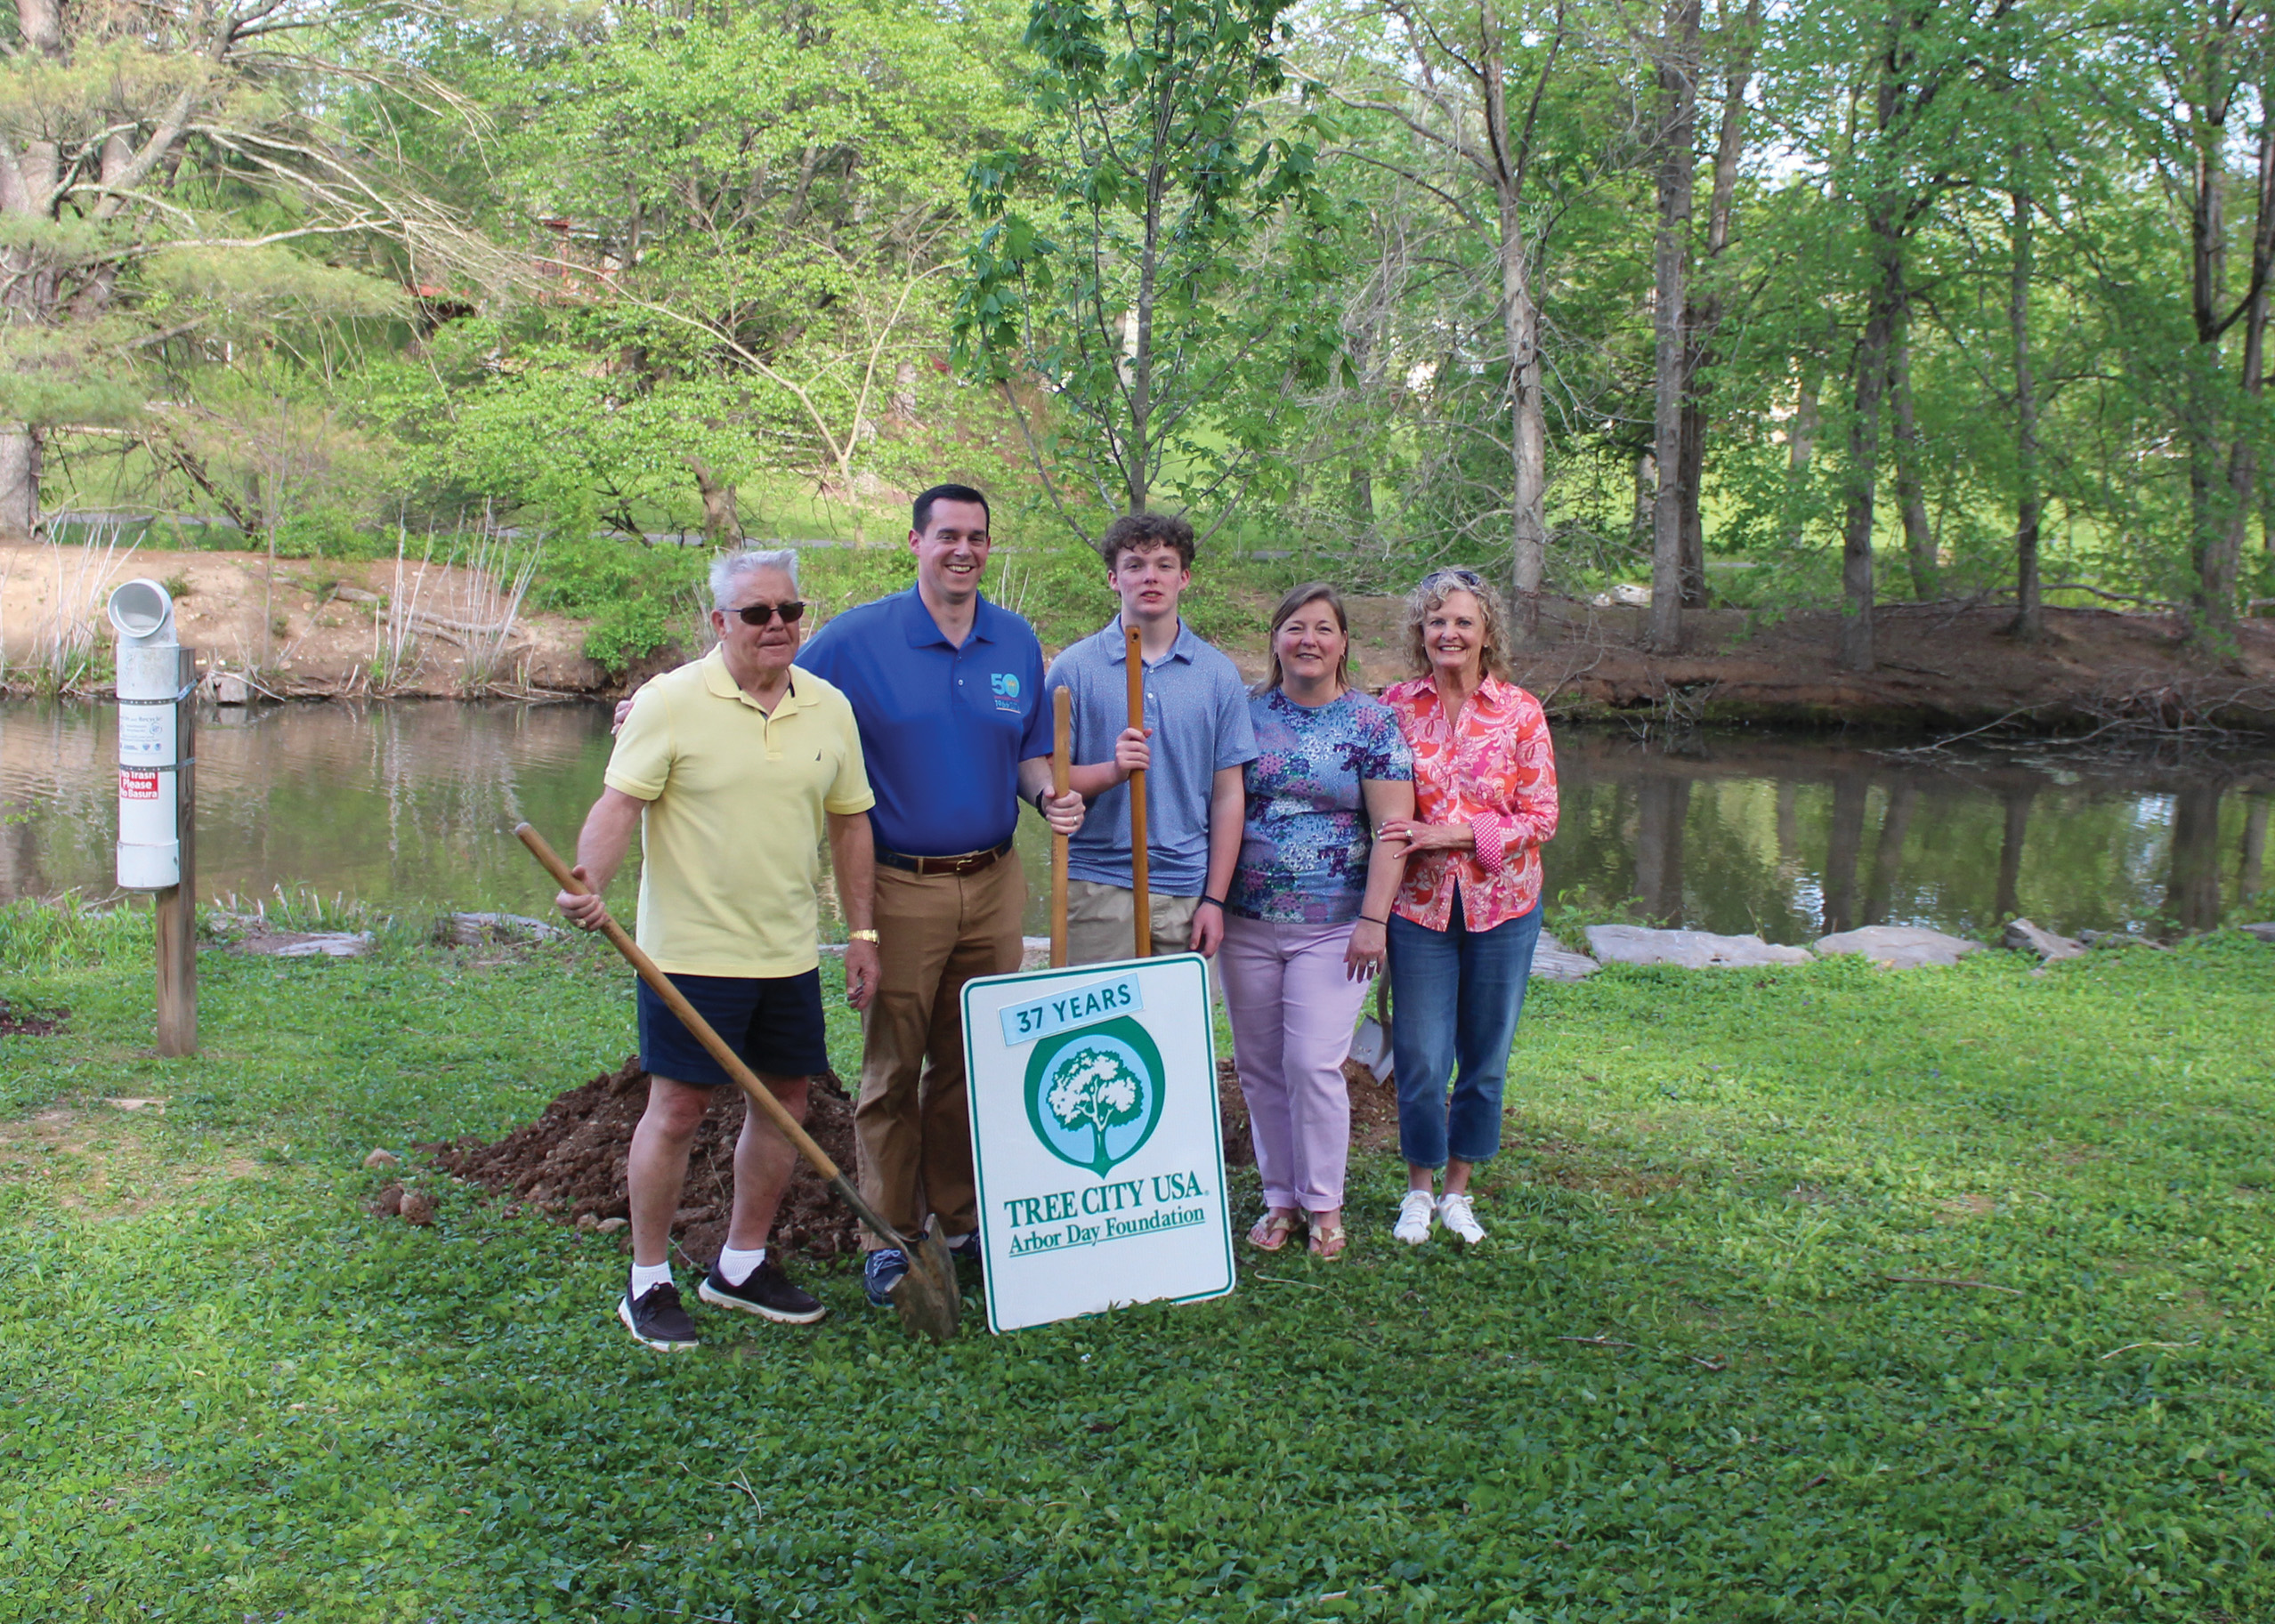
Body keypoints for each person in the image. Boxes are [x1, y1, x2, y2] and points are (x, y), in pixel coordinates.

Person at [556, 547, 878, 1352]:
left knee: (785, 1104)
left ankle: (740, 1263)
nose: (778, 626)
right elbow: (618, 804)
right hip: (690, 956)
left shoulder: (829, 707)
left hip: (788, 952)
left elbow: (851, 823)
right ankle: (648, 1280)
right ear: (720, 622)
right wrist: (584, 879)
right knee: (678, 1110)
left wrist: (862, 932)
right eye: (758, 613)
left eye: (791, 611)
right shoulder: (669, 702)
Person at [796, 484, 1085, 1310]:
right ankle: (887, 1239)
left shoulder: (1016, 640)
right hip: (899, 885)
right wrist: (661, 702)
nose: (964, 550)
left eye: (979, 537)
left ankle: (957, 1223)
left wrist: (1048, 798)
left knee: (970, 1062)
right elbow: (767, 685)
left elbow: (1029, 755)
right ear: (916, 541)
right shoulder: (857, 640)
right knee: (892, 1067)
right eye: (948, 535)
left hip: (994, 882)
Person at [1218, 584, 1413, 1261]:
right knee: (1260, 1066)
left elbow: (1394, 828)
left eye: (1324, 629)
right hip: (1245, 919)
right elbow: (1219, 802)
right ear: (1275, 639)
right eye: (1295, 627)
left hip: (1335, 923)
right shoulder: (1242, 714)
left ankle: (1324, 1202)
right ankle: (1280, 1199)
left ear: (1343, 643)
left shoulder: (1371, 723)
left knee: (1312, 1061)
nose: (1309, 640)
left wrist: (1373, 918)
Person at [1378, 567, 1558, 1248]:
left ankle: (1459, 1189)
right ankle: (1418, 1191)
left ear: (1487, 634)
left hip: (1503, 908)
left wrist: (1454, 833)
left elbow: (1541, 817)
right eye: (1435, 621)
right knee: (1422, 1056)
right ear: (1419, 633)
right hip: (1420, 908)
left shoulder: (1520, 711)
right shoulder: (1394, 706)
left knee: (1485, 1057)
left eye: (1462, 622)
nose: (1448, 633)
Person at [1048, 511, 1256, 964]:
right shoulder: (1074, 670)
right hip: (1097, 886)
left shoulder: (1217, 674)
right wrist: (1113, 771)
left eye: (1164, 565)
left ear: (1184, 578)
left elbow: (1227, 797)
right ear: (1112, 578)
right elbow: (1050, 783)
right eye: (1135, 565)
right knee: (1100, 1035)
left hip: (1186, 892)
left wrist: (1215, 900)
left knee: (1171, 1034)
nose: (1150, 577)